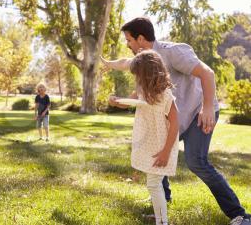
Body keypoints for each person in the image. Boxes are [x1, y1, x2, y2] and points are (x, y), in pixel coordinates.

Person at [101, 17, 250, 225]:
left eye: (129, 40)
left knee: (196, 162)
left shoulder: (173, 52)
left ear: (141, 38)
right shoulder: (145, 63)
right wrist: (119, 100)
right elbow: (134, 84)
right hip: (174, 119)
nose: (127, 45)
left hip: (198, 112)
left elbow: (207, 73)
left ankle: (240, 215)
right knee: (157, 152)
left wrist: (207, 107)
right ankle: (162, 201)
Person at [110, 50, 179, 225]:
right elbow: (129, 102)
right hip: (151, 143)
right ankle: (161, 219)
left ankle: (162, 222)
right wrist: (116, 102)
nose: (137, 80)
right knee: (154, 184)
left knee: (153, 184)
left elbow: (175, 125)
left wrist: (165, 152)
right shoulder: (143, 90)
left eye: (139, 76)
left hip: (162, 146)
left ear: (149, 74)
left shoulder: (165, 96)